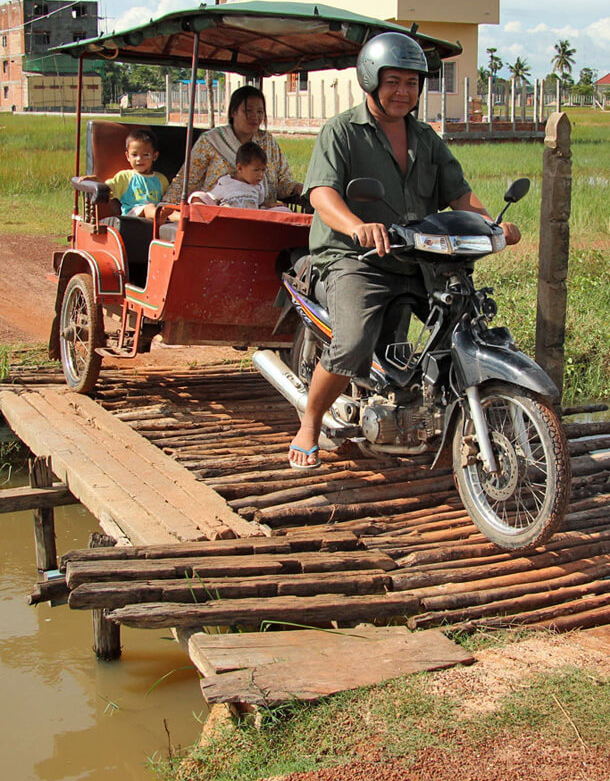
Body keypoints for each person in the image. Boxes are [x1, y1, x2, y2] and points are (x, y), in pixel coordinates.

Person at [288, 32, 521, 471]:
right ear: (371, 80)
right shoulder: (341, 131)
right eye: (393, 81)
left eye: (412, 83)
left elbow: (461, 194)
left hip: (420, 257)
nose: (403, 92)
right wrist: (358, 227)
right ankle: (310, 422)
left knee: (464, 323)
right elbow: (321, 194)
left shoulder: (425, 138)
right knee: (354, 340)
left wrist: (492, 226)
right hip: (355, 259)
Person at [162, 85, 302, 206]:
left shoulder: (268, 142)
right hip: (220, 215)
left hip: (262, 212)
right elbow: (187, 180)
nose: (255, 116)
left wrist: (297, 187)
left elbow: (283, 181)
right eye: (248, 111)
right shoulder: (211, 141)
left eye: (260, 112)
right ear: (233, 112)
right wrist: (167, 208)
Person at [104, 128, 177, 222]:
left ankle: (190, 221)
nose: (139, 159)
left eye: (145, 155)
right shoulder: (125, 177)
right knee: (149, 207)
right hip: (132, 216)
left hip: (156, 214)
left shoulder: (161, 179)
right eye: (134, 155)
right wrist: (95, 180)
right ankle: (160, 216)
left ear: (154, 156)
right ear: (127, 156)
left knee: (170, 211)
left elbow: (167, 199)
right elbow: (107, 189)